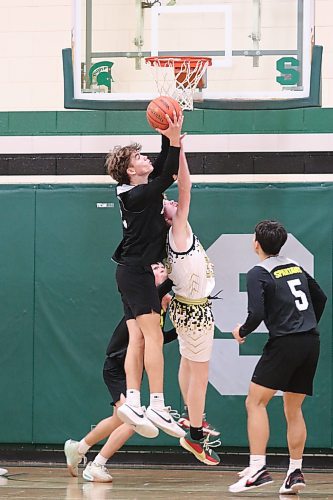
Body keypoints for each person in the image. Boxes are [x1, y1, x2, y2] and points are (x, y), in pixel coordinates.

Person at [228, 220, 327, 494]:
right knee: (293, 409)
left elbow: (256, 314)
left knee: (255, 402)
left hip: (285, 343)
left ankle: (257, 468)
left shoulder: (258, 272)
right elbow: (320, 297)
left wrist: (241, 331)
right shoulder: (295, 266)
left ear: (256, 243)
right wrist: (304, 324)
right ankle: (295, 472)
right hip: (310, 341)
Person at [105, 112, 184, 439]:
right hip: (136, 273)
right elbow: (169, 174)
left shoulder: (135, 192)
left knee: (138, 337)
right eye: (139, 157)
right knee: (151, 337)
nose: (145, 157)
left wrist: (168, 135)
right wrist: (175, 138)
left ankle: (135, 400)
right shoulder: (137, 195)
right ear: (129, 171)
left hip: (129, 272)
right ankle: (158, 404)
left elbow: (164, 166)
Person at [64, 263, 177, 482]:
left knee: (119, 419)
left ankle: (78, 449)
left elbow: (158, 340)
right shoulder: (140, 298)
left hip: (132, 370)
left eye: (164, 269)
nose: (161, 272)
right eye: (156, 269)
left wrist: (183, 331)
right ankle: (96, 465)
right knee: (132, 421)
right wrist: (179, 278)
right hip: (116, 367)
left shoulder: (156, 307)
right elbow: (159, 293)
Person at [163, 142, 221, 465]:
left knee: (187, 362)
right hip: (195, 312)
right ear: (167, 218)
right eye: (167, 205)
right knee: (200, 373)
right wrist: (178, 147)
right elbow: (185, 188)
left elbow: (177, 189)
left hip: (183, 308)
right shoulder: (178, 230)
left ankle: (188, 415)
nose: (172, 202)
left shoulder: (170, 236)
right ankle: (195, 436)